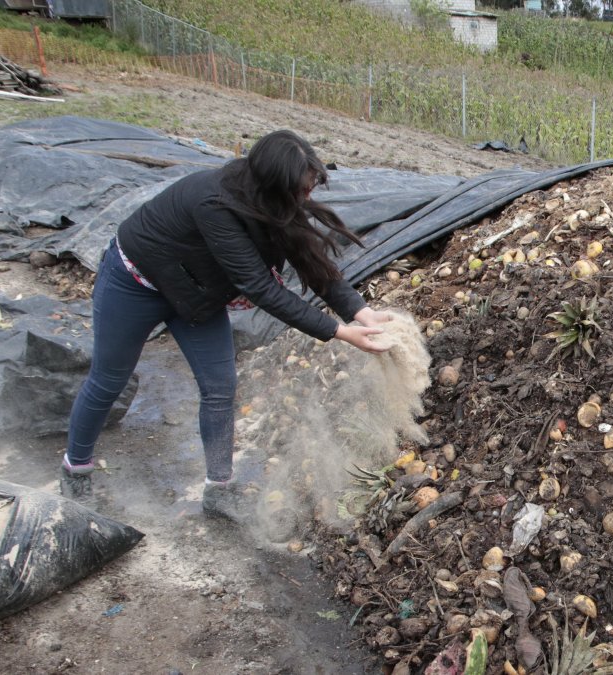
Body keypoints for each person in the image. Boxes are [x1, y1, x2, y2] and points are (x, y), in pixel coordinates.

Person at [59, 130, 395, 524]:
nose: (306, 197)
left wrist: (360, 313)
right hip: (135, 284)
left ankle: (219, 489)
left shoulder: (277, 203)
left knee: (219, 387)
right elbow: (260, 287)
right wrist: (338, 333)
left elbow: (312, 262)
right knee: (109, 379)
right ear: (273, 183)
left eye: (310, 188)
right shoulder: (215, 204)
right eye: (300, 190)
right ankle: (75, 470)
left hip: (195, 295)